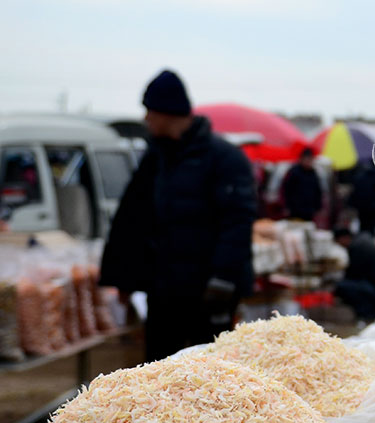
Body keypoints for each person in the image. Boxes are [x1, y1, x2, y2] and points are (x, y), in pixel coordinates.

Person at [100, 69, 257, 362]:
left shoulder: (224, 158)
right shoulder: (156, 158)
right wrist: (124, 278)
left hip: (209, 291)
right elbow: (132, 219)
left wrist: (223, 280)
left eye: (150, 111)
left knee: (211, 370)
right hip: (164, 288)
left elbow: (237, 222)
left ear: (167, 111)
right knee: (159, 367)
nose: (146, 119)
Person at [332, 227, 375, 322]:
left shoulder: (357, 247)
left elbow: (354, 274)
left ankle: (368, 313)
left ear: (344, 238)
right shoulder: (362, 242)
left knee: (344, 287)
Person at [280, 147, 323, 221]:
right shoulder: (294, 172)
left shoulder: (313, 173)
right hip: (295, 209)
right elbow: (286, 189)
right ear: (301, 159)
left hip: (309, 210)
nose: (308, 162)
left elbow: (317, 191)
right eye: (307, 159)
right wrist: (287, 206)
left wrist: (318, 206)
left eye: (310, 159)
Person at [349, 160, 375, 235]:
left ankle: (363, 242)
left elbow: (355, 193)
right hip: (374, 208)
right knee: (372, 228)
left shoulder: (358, 175)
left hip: (362, 207)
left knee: (363, 227)